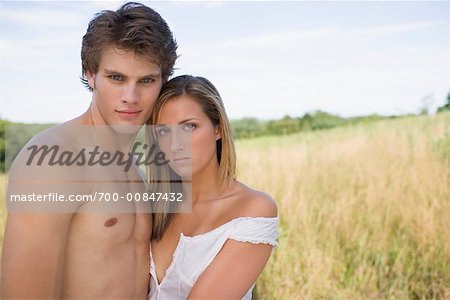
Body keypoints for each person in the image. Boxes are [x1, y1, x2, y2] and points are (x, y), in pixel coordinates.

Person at [1, 2, 177, 299]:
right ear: (90, 75)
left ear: (163, 82)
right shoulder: (50, 160)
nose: (130, 97)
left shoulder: (133, 162)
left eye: (146, 80)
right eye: (116, 78)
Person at [147, 75, 278, 299]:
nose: (176, 145)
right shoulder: (153, 205)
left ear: (217, 129)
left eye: (189, 126)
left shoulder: (253, 210)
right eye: (164, 131)